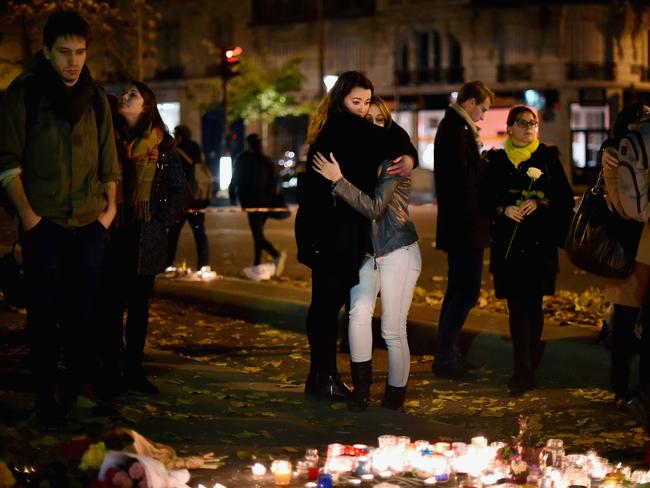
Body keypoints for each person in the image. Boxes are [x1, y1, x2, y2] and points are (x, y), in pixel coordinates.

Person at [0, 11, 120, 422]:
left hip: (89, 223)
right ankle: (46, 392)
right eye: (65, 52)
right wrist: (30, 218)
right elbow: (7, 164)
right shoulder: (25, 95)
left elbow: (109, 163)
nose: (73, 61)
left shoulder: (97, 98)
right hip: (45, 222)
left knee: (84, 311)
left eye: (80, 52)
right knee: (44, 311)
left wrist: (109, 211)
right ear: (47, 51)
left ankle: (74, 387)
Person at [295, 71, 417, 401]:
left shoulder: (332, 126)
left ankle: (320, 377)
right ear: (341, 100)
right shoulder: (346, 127)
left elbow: (389, 137)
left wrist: (406, 156)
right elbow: (394, 136)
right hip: (333, 232)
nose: (363, 109)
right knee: (327, 305)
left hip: (323, 230)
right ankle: (325, 378)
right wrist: (409, 156)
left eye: (366, 102)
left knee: (323, 304)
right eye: (356, 101)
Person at [98, 82, 186, 395]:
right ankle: (109, 371)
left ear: (146, 106)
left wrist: (159, 220)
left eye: (132, 95)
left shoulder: (163, 147)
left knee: (137, 308)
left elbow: (180, 191)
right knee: (108, 307)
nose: (124, 96)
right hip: (113, 231)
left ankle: (134, 370)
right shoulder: (109, 139)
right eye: (124, 93)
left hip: (144, 237)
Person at [479, 105, 574, 395]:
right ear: (509, 128)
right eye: (522, 123)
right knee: (516, 307)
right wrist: (503, 209)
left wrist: (540, 202)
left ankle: (528, 365)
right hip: (509, 245)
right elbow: (483, 200)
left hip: (538, 245)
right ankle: (522, 370)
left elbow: (565, 199)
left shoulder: (547, 157)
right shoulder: (496, 160)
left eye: (532, 123)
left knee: (533, 307)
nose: (529, 128)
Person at [432, 80, 494, 380]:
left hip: (462, 225)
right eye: (482, 108)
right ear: (470, 103)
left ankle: (448, 354)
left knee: (458, 290)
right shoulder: (456, 129)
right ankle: (446, 356)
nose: (483, 115)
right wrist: (487, 163)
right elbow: (464, 177)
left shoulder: (456, 127)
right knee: (465, 292)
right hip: (465, 226)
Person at [600, 103, 650, 409]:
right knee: (625, 323)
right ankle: (622, 388)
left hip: (638, 245)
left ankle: (626, 389)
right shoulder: (618, 154)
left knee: (629, 323)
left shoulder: (621, 152)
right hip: (627, 249)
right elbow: (621, 205)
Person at [229, 133, 287, 279]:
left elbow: (235, 178)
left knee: (257, 234)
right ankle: (256, 263)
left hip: (250, 202)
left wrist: (232, 196)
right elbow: (273, 183)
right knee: (258, 233)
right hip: (265, 203)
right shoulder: (266, 160)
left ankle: (276, 254)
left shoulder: (242, 159)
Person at [166, 125, 212, 276]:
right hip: (197, 200)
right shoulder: (195, 148)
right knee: (199, 234)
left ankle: (167, 263)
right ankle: (204, 264)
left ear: (179, 136)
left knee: (173, 234)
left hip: (181, 200)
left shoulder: (175, 150)